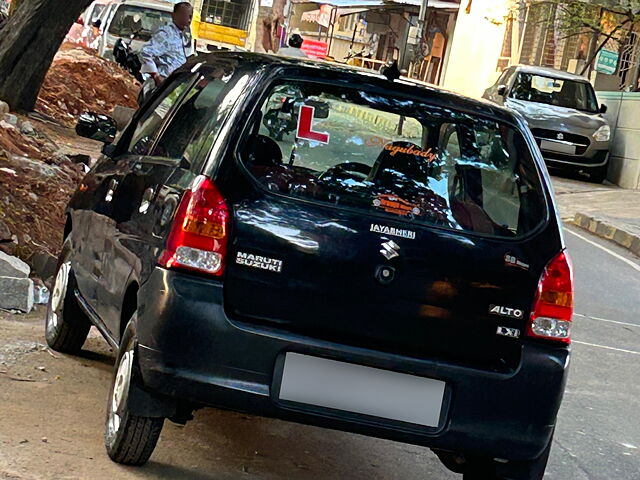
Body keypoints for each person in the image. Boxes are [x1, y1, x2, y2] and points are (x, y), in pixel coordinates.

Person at [139, 1, 193, 87]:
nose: (189, 20)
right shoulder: (166, 34)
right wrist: (156, 76)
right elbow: (145, 52)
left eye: (190, 16)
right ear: (174, 15)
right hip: (160, 84)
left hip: (173, 84)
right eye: (184, 15)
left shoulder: (183, 35)